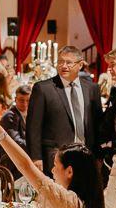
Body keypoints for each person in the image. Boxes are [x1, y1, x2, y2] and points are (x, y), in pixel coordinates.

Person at [26, 46, 106, 174]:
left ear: (80, 65)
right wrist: (36, 157)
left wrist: (98, 154)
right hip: (56, 156)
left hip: (86, 155)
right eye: (60, 62)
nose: (64, 66)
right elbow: (33, 127)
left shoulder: (92, 88)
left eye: (69, 62)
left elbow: (97, 124)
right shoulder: (43, 89)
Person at [0, 83, 30, 176]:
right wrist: (35, 147)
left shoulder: (28, 114)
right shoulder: (10, 116)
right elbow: (15, 142)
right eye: (21, 100)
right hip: (11, 161)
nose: (25, 104)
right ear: (15, 100)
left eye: (28, 100)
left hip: (21, 157)